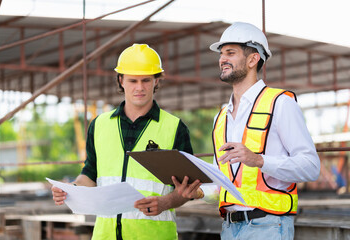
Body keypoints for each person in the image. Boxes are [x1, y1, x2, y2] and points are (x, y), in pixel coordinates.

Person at [174, 22, 321, 240]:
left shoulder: (280, 104)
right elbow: (222, 185)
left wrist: (259, 160)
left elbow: (311, 167)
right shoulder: (220, 118)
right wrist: (198, 192)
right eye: (222, 54)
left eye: (230, 53)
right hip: (229, 227)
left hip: (269, 226)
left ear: (253, 59)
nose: (222, 59)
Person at [51, 43, 195, 240]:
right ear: (121, 80)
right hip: (105, 235)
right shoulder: (99, 125)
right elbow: (90, 174)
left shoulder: (175, 128)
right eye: (132, 80)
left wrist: (166, 202)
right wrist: (72, 190)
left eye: (146, 80)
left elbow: (190, 186)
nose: (139, 87)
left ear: (156, 81)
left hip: (154, 236)